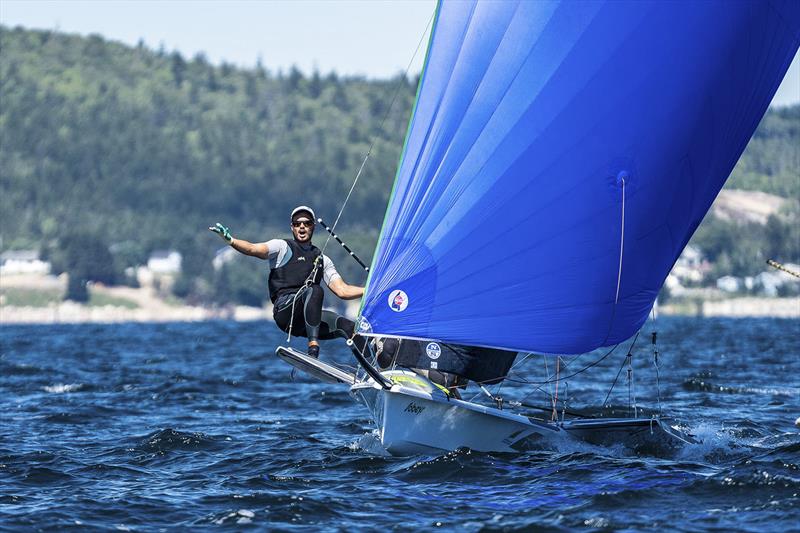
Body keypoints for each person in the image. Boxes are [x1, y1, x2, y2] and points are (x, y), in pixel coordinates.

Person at [209, 206, 367, 359]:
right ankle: (313, 346)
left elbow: (343, 291)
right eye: (297, 224)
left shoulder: (323, 260)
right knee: (315, 290)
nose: (302, 227)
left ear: (313, 226)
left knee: (349, 327)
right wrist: (231, 241)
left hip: (308, 318)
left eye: (307, 223)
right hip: (285, 312)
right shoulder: (281, 247)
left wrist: (369, 290)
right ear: (292, 227)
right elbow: (253, 249)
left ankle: (378, 366)